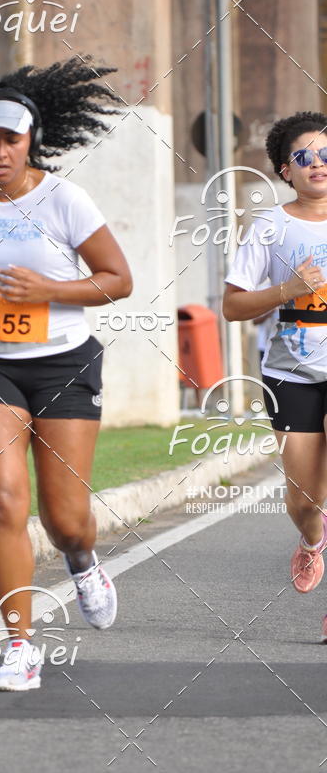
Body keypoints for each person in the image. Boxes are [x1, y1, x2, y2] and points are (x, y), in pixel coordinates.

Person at [0, 57, 133, 690]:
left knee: (65, 519)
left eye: (11, 139)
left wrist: (49, 288)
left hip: (64, 363)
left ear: (30, 140)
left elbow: (119, 281)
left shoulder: (64, 199)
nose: (0, 151)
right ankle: (19, 646)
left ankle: (82, 559)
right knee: (4, 501)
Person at [223, 111, 327, 620]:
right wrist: (288, 289)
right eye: (305, 157)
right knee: (304, 501)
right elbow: (232, 306)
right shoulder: (270, 225)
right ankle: (311, 539)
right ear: (286, 171)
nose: (318, 164)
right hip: (292, 371)